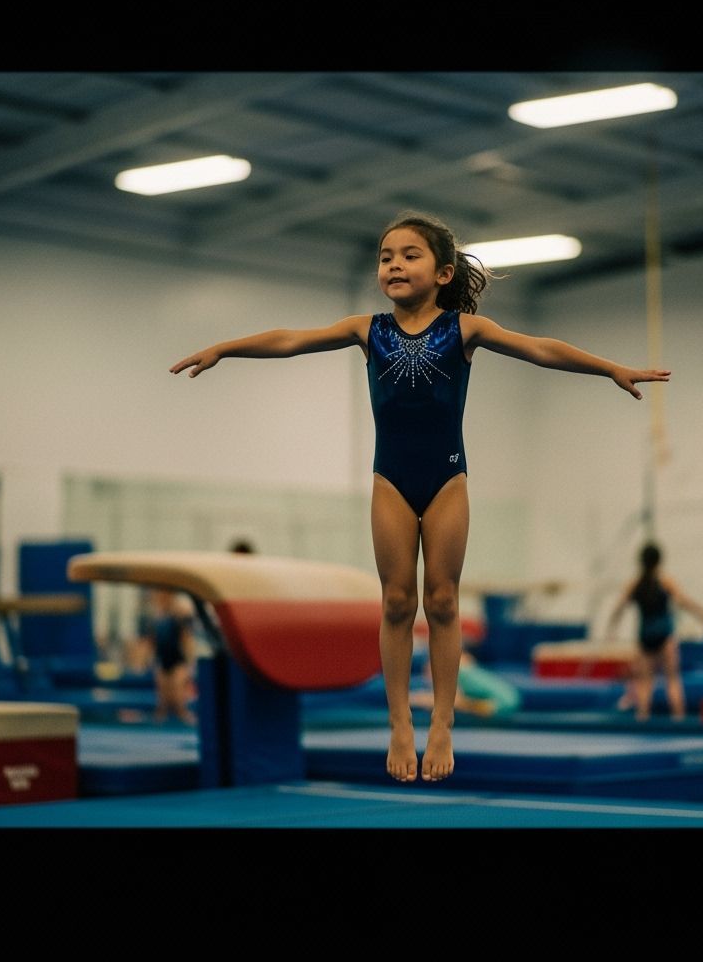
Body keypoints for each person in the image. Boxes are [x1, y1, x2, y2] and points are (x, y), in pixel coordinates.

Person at [170, 209, 670, 782]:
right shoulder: (368, 329)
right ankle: (401, 723)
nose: (394, 265)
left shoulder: (463, 329)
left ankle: (443, 724)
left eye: (409, 255)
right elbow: (292, 339)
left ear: (443, 272)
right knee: (395, 602)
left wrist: (610, 369)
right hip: (391, 480)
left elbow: (540, 348)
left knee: (445, 601)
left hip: (447, 480)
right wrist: (224, 348)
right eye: (386, 257)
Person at [606, 542, 703, 721]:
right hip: (665, 637)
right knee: (672, 680)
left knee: (645, 683)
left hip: (645, 638)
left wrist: (612, 628)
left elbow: (619, 608)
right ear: (659, 561)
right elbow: (683, 601)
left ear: (641, 562)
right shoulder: (665, 582)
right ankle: (678, 718)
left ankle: (643, 717)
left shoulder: (635, 584)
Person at [410, 649, 521, 719]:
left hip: (503, 704)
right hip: (509, 698)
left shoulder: (459, 672)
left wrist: (418, 699)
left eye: (428, 670)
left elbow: (453, 702)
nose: (427, 676)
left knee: (455, 705)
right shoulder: (462, 667)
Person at [146, 587, 198, 725]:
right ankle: (157, 728)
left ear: (169, 595)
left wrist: (190, 663)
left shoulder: (179, 613)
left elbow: (186, 639)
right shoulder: (156, 616)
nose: (158, 598)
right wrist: (149, 659)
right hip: (163, 660)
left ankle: (186, 719)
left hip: (177, 661)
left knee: (178, 700)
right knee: (162, 704)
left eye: (162, 595)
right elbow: (152, 640)